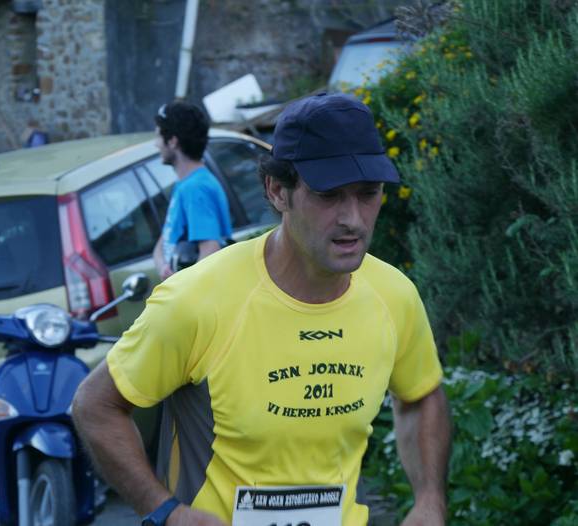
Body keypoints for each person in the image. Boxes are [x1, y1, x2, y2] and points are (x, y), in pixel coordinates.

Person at [72, 93, 451, 526]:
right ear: (277, 190)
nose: (353, 218)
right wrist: (164, 511)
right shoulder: (196, 301)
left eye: (368, 194)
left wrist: (429, 500)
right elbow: (95, 406)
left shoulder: (394, 296)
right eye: (328, 195)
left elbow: (421, 396)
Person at [151, 100, 232, 280]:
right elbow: (164, 241)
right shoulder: (185, 185)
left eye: (158, 137)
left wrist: (183, 289)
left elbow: (210, 251)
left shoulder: (195, 189)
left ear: (173, 141)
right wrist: (163, 266)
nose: (156, 144)